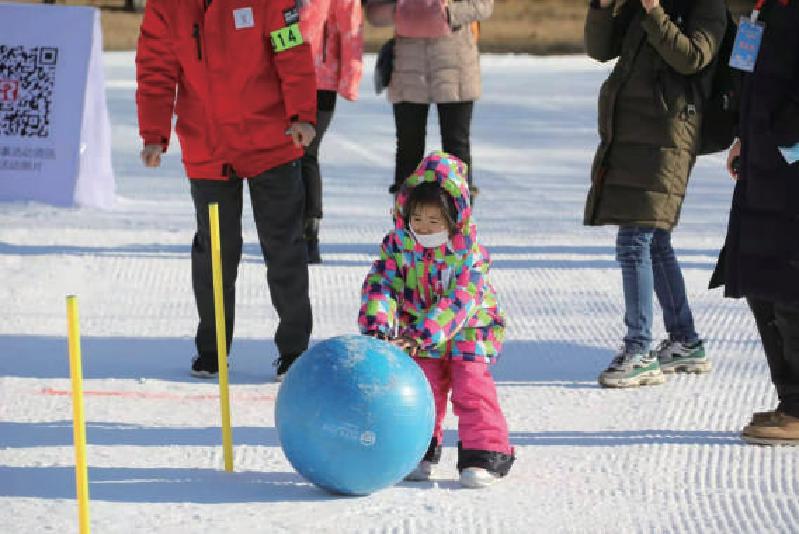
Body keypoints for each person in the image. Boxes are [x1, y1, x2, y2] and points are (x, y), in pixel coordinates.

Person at [135, 0, 316, 381]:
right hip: (208, 147)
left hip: (272, 143)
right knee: (215, 250)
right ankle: (212, 350)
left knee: (283, 245)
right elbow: (156, 70)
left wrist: (301, 114)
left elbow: (291, 51)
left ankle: (295, 350)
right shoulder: (166, 7)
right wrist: (154, 134)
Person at [584, 0, 726, 388]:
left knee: (635, 240)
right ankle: (685, 340)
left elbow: (693, 57)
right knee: (654, 240)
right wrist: (601, 8)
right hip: (631, 131)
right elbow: (600, 50)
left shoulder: (708, 5)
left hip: (668, 136)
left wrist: (653, 11)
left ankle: (640, 349)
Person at [358, 151, 514, 488]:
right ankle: (418, 450)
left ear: (453, 218)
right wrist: (378, 327)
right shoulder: (399, 248)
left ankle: (484, 453)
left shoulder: (467, 254)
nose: (424, 228)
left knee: (471, 386)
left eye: (434, 221)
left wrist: (420, 335)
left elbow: (460, 300)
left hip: (469, 330)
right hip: (418, 332)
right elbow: (381, 284)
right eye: (417, 219)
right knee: (421, 387)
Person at [710, 0, 799, 445]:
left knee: (788, 286)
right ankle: (790, 400)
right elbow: (749, 80)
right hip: (761, 165)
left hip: (789, 166)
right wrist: (744, 136)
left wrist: (787, 139)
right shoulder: (761, 11)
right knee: (760, 285)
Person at [365, 0, 491, 199]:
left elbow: (483, 5)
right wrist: (401, 11)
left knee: (456, 146)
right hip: (408, 67)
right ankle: (406, 218)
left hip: (455, 64)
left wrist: (447, 13)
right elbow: (373, 11)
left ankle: (459, 216)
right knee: (409, 146)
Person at [299, 0, 364, 263]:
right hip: (282, 77)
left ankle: (308, 232)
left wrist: (351, 78)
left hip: (321, 80)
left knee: (306, 152)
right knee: (284, 156)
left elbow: (352, 29)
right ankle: (286, 231)